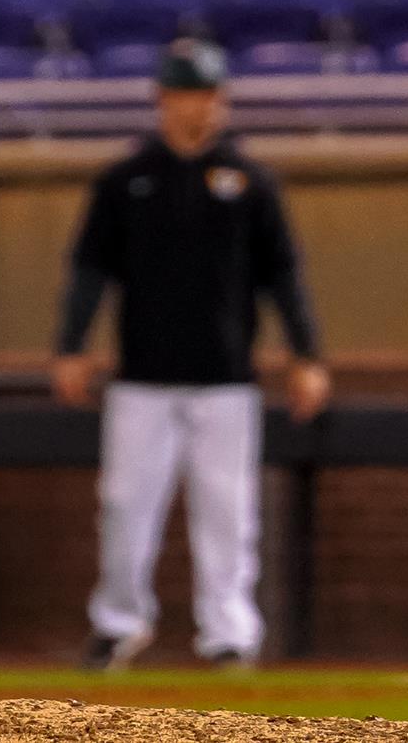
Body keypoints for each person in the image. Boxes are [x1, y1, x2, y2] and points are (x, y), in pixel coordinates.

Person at [51, 39, 330, 671]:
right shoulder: (125, 181)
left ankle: (229, 633)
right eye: (185, 95)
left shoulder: (251, 183)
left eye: (208, 95)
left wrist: (307, 354)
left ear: (222, 100)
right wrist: (70, 346)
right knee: (125, 504)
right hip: (142, 378)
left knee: (228, 511)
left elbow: (284, 274)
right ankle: (118, 622)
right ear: (162, 100)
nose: (197, 108)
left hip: (225, 379)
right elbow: (90, 269)